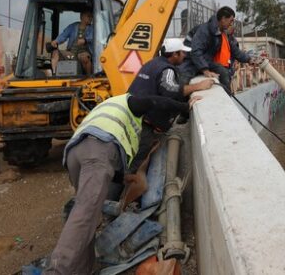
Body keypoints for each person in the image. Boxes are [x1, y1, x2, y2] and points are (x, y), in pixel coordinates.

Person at [44, 93, 197, 275]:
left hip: (75, 153)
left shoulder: (108, 107)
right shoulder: (128, 101)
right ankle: (57, 270)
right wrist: (184, 107)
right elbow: (152, 100)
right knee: (85, 215)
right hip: (98, 152)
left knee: (87, 216)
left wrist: (122, 178)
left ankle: (80, 270)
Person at [127, 38, 214, 163]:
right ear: (174, 54)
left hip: (135, 117)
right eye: (182, 52)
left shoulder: (153, 63)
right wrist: (198, 86)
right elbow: (169, 90)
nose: (184, 55)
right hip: (144, 125)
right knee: (139, 161)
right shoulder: (166, 69)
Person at [184, 6, 258, 94]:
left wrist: (249, 59)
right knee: (182, 82)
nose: (231, 24)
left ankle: (227, 97)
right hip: (190, 61)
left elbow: (235, 51)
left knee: (223, 72)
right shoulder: (205, 30)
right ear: (223, 19)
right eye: (231, 21)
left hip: (205, 61)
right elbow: (196, 51)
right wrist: (206, 71)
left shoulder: (222, 33)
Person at [50, 10, 94, 75]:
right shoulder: (73, 26)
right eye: (88, 16)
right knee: (55, 53)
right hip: (71, 52)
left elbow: (93, 37)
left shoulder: (93, 28)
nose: (91, 18)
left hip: (83, 52)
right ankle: (54, 73)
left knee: (85, 57)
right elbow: (64, 35)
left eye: (91, 16)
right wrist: (56, 41)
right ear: (81, 16)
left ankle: (90, 76)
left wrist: (85, 40)